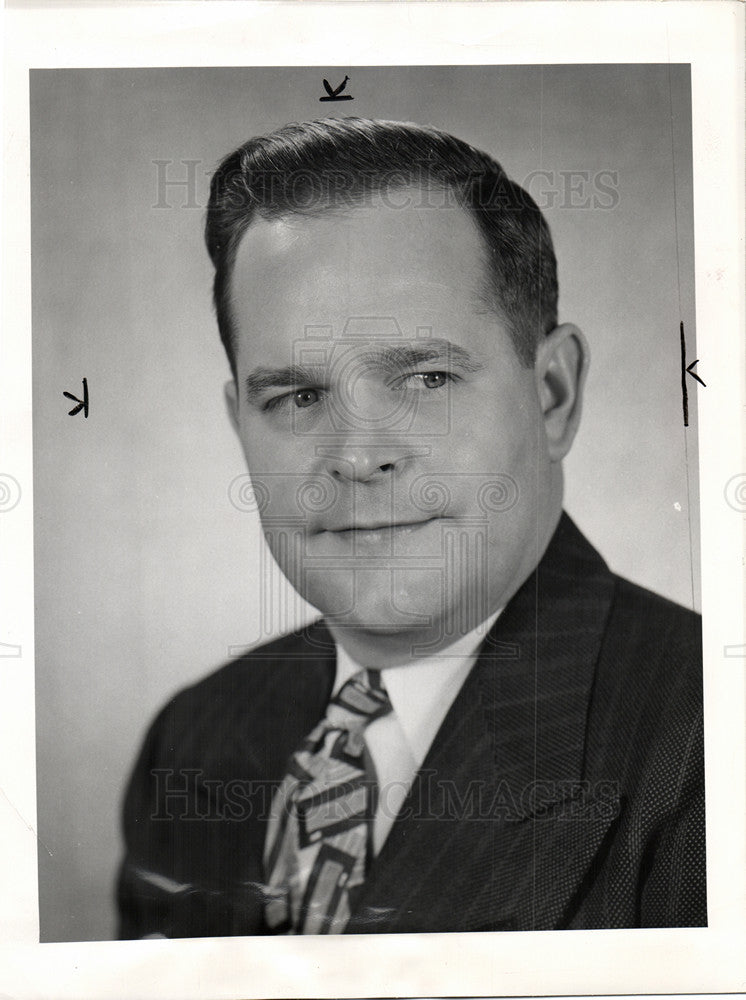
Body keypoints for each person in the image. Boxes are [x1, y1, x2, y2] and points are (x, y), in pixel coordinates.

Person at [117, 117, 705, 937]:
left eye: (426, 377)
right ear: (239, 421)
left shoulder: (710, 746)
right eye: (296, 397)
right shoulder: (193, 738)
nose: (358, 458)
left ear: (553, 395)